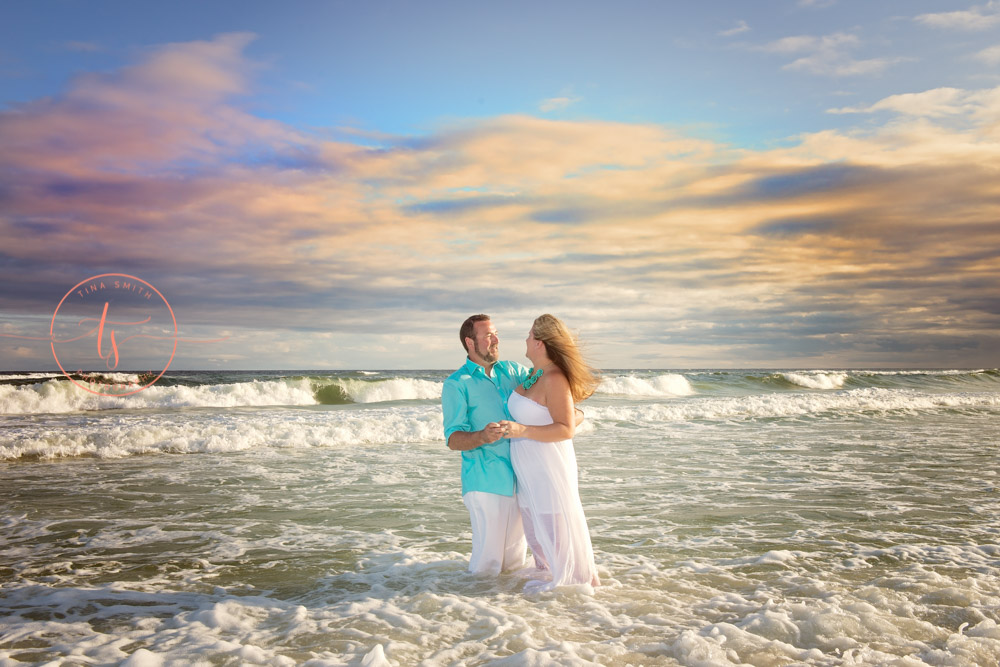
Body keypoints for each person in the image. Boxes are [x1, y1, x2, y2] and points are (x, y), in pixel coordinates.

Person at [499, 314, 601, 592]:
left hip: (549, 467)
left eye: (530, 335)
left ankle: (576, 589)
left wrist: (521, 430)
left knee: (555, 530)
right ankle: (550, 588)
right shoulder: (534, 374)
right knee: (537, 533)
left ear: (541, 343)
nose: (526, 339)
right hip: (528, 469)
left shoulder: (554, 377)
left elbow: (566, 428)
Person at [441, 314, 529, 575]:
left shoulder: (515, 371)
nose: (496, 340)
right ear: (470, 342)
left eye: (496, 334)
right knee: (487, 565)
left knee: (514, 564)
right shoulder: (457, 384)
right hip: (485, 481)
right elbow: (452, 439)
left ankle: (504, 614)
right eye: (488, 335)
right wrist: (481, 436)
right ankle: (473, 611)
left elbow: (546, 387)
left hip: (521, 479)